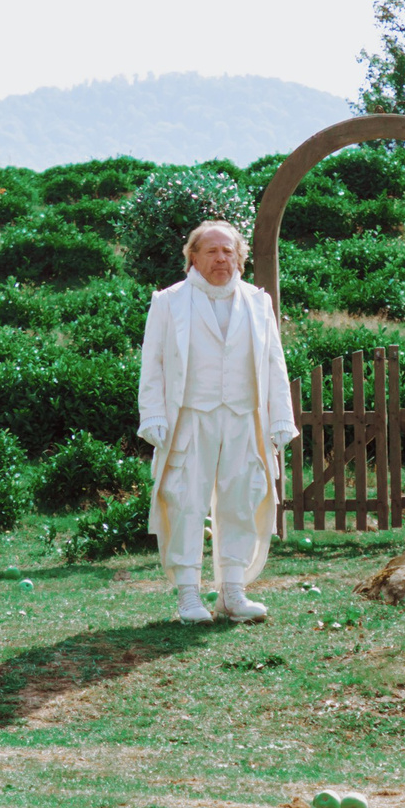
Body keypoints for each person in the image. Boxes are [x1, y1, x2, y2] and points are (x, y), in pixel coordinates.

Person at [136, 220, 297, 624]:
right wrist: (153, 414)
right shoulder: (169, 301)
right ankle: (189, 596)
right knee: (186, 502)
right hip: (190, 418)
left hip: (244, 419)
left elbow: (275, 364)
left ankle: (232, 593)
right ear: (193, 256)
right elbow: (152, 364)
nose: (221, 258)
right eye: (211, 251)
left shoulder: (258, 303)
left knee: (241, 501)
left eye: (228, 251)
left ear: (239, 256)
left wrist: (281, 417)